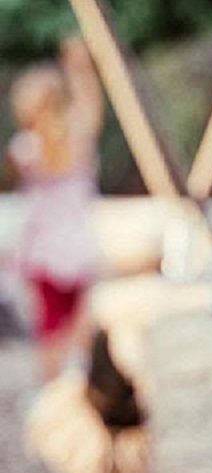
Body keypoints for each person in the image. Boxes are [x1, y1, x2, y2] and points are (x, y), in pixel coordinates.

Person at [7, 35, 104, 384]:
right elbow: (91, 108)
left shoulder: (25, 148)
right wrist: (81, 70)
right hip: (77, 248)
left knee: (49, 329)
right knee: (81, 327)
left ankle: (51, 393)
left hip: (43, 253)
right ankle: (79, 385)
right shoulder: (80, 144)